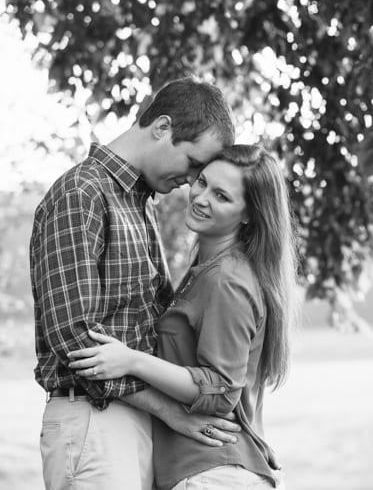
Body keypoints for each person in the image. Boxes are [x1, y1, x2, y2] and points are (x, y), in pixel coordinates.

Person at [30, 76, 244, 490]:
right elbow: (76, 338)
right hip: (94, 419)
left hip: (131, 422)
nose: (192, 180)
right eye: (194, 163)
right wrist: (170, 411)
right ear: (162, 128)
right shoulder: (82, 193)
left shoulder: (137, 204)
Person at [67, 145, 298, 490]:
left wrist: (132, 361)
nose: (201, 198)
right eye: (202, 182)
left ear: (248, 214)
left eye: (221, 196)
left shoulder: (226, 281)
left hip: (213, 474)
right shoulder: (207, 272)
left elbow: (221, 392)